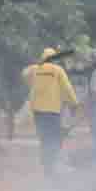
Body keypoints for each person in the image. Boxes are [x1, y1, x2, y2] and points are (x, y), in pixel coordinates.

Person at [21, 48, 79, 178]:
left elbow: (24, 74)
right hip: (53, 110)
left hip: (38, 111)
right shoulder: (58, 70)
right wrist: (74, 103)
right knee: (54, 137)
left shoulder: (35, 69)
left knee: (44, 137)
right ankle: (52, 163)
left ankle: (46, 164)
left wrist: (37, 67)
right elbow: (67, 88)